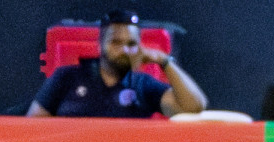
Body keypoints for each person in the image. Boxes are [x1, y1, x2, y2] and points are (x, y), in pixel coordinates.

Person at [28, 10, 206, 119]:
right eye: (115, 42)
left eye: (131, 44)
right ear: (100, 44)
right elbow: (34, 130)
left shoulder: (143, 85)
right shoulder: (66, 77)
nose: (124, 50)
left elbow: (193, 108)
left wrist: (163, 60)